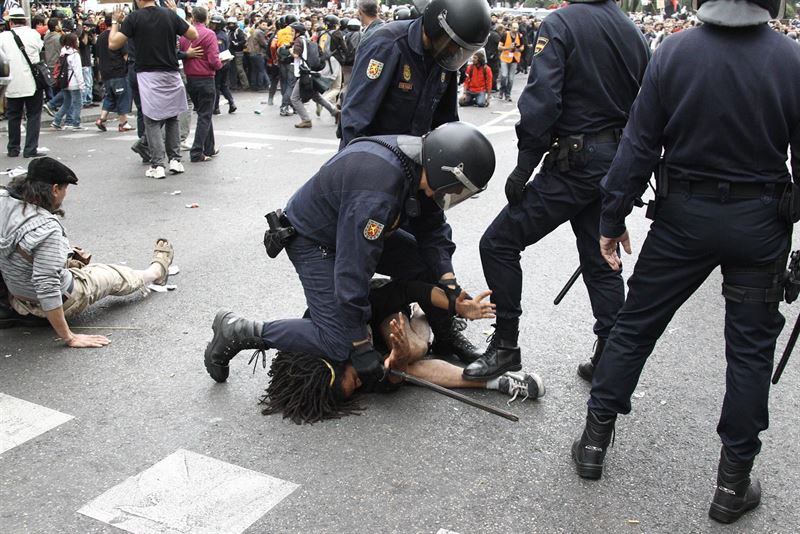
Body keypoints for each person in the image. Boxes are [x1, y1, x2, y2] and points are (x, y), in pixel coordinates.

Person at [571, 0, 799, 525]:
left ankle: (593, 442)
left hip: (683, 219)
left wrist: (612, 217)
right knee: (749, 352)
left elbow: (638, 143)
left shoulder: (673, 51)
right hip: (760, 223)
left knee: (635, 328)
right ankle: (732, 483)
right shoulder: (791, 59)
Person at [203, 122, 495, 388]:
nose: (455, 194)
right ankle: (239, 331)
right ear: (445, 171)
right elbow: (352, 267)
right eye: (458, 188)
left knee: (426, 264)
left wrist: (448, 281)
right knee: (338, 342)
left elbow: (432, 227)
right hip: (315, 241)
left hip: (347, 232)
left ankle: (443, 335)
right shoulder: (378, 191)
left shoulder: (417, 163)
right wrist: (359, 344)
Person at [463, 0, 650, 382]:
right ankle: (611, 360)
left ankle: (506, 345)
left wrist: (526, 162)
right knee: (601, 259)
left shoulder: (562, 23)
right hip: (617, 160)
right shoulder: (634, 32)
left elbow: (542, 97)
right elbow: (648, 106)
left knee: (498, 243)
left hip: (577, 161)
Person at [257, 279, 545, 425]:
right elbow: (389, 379)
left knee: (417, 348)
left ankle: (427, 319)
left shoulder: (331, 320)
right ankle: (499, 380)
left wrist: (452, 303)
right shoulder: (345, 378)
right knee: (405, 366)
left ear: (335, 360)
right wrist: (394, 361)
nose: (361, 383)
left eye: (354, 379)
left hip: (380, 306)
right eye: (356, 388)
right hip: (380, 346)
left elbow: (407, 288)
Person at [0, 158, 174, 348]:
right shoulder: (46, 228)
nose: (65, 196)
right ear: (55, 189)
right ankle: (157, 271)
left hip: (15, 296)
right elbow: (47, 286)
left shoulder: (3, 202)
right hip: (57, 301)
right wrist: (69, 337)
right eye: (65, 189)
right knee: (112, 275)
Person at [338, 0, 491, 148]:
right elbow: (355, 118)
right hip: (376, 155)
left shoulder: (444, 58)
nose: (454, 52)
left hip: (413, 156)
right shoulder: (386, 45)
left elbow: (446, 120)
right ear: (436, 26)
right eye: (452, 44)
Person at [109, 0, 198, 179]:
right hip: (171, 72)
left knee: (152, 120)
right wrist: (175, 13)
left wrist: (114, 22)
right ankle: (175, 160)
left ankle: (158, 164)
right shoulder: (169, 14)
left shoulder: (134, 18)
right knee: (172, 117)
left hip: (148, 75)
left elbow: (113, 43)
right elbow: (193, 34)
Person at [179, 7, 222, 163]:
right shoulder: (209, 34)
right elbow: (213, 60)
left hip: (191, 78)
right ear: (206, 18)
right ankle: (197, 152)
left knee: (205, 113)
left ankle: (209, 147)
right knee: (204, 115)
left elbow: (181, 54)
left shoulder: (184, 36)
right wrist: (220, 64)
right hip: (205, 78)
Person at [0, 7, 45, 158]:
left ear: (11, 22)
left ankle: (13, 148)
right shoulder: (33, 34)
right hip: (32, 81)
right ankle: (30, 149)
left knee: (13, 116)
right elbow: (39, 49)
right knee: (33, 115)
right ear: (25, 20)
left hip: (12, 82)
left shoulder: (4, 37)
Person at [289, 22, 337, 129]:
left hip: (303, 73)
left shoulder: (298, 41)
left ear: (297, 32)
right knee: (316, 97)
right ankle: (335, 112)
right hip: (309, 72)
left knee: (294, 98)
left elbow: (296, 54)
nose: (291, 33)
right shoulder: (306, 40)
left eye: (292, 31)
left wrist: (290, 50)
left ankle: (306, 120)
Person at [94, 15, 132, 132]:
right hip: (118, 70)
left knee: (110, 96)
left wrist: (100, 70)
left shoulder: (100, 37)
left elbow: (98, 56)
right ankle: (123, 123)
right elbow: (125, 55)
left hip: (105, 71)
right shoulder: (119, 36)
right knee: (122, 96)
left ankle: (102, 119)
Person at [50, 33, 86, 131]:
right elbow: (78, 71)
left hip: (64, 81)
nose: (78, 42)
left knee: (67, 102)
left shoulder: (63, 53)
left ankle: (56, 121)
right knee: (78, 103)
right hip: (73, 82)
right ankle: (76, 123)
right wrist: (82, 85)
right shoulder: (74, 55)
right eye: (77, 40)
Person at [210, 13, 235, 115]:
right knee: (223, 85)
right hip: (226, 62)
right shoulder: (223, 34)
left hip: (221, 62)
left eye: (214, 24)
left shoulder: (218, 36)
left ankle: (216, 108)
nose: (212, 25)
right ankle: (232, 103)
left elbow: (219, 51)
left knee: (216, 85)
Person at [497, 22, 523, 102]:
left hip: (514, 59)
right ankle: (501, 91)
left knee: (511, 78)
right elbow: (499, 47)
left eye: (517, 28)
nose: (515, 30)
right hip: (505, 58)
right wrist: (508, 47)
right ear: (510, 28)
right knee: (504, 76)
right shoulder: (505, 35)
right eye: (514, 28)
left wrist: (518, 49)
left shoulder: (519, 36)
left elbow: (522, 47)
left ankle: (508, 94)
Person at [226, 16, 249, 91]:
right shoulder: (230, 32)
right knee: (233, 69)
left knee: (239, 69)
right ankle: (234, 84)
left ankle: (245, 85)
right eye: (229, 24)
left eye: (232, 24)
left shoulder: (238, 31)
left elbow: (243, 40)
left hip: (238, 52)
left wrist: (237, 43)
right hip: (231, 52)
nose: (230, 26)